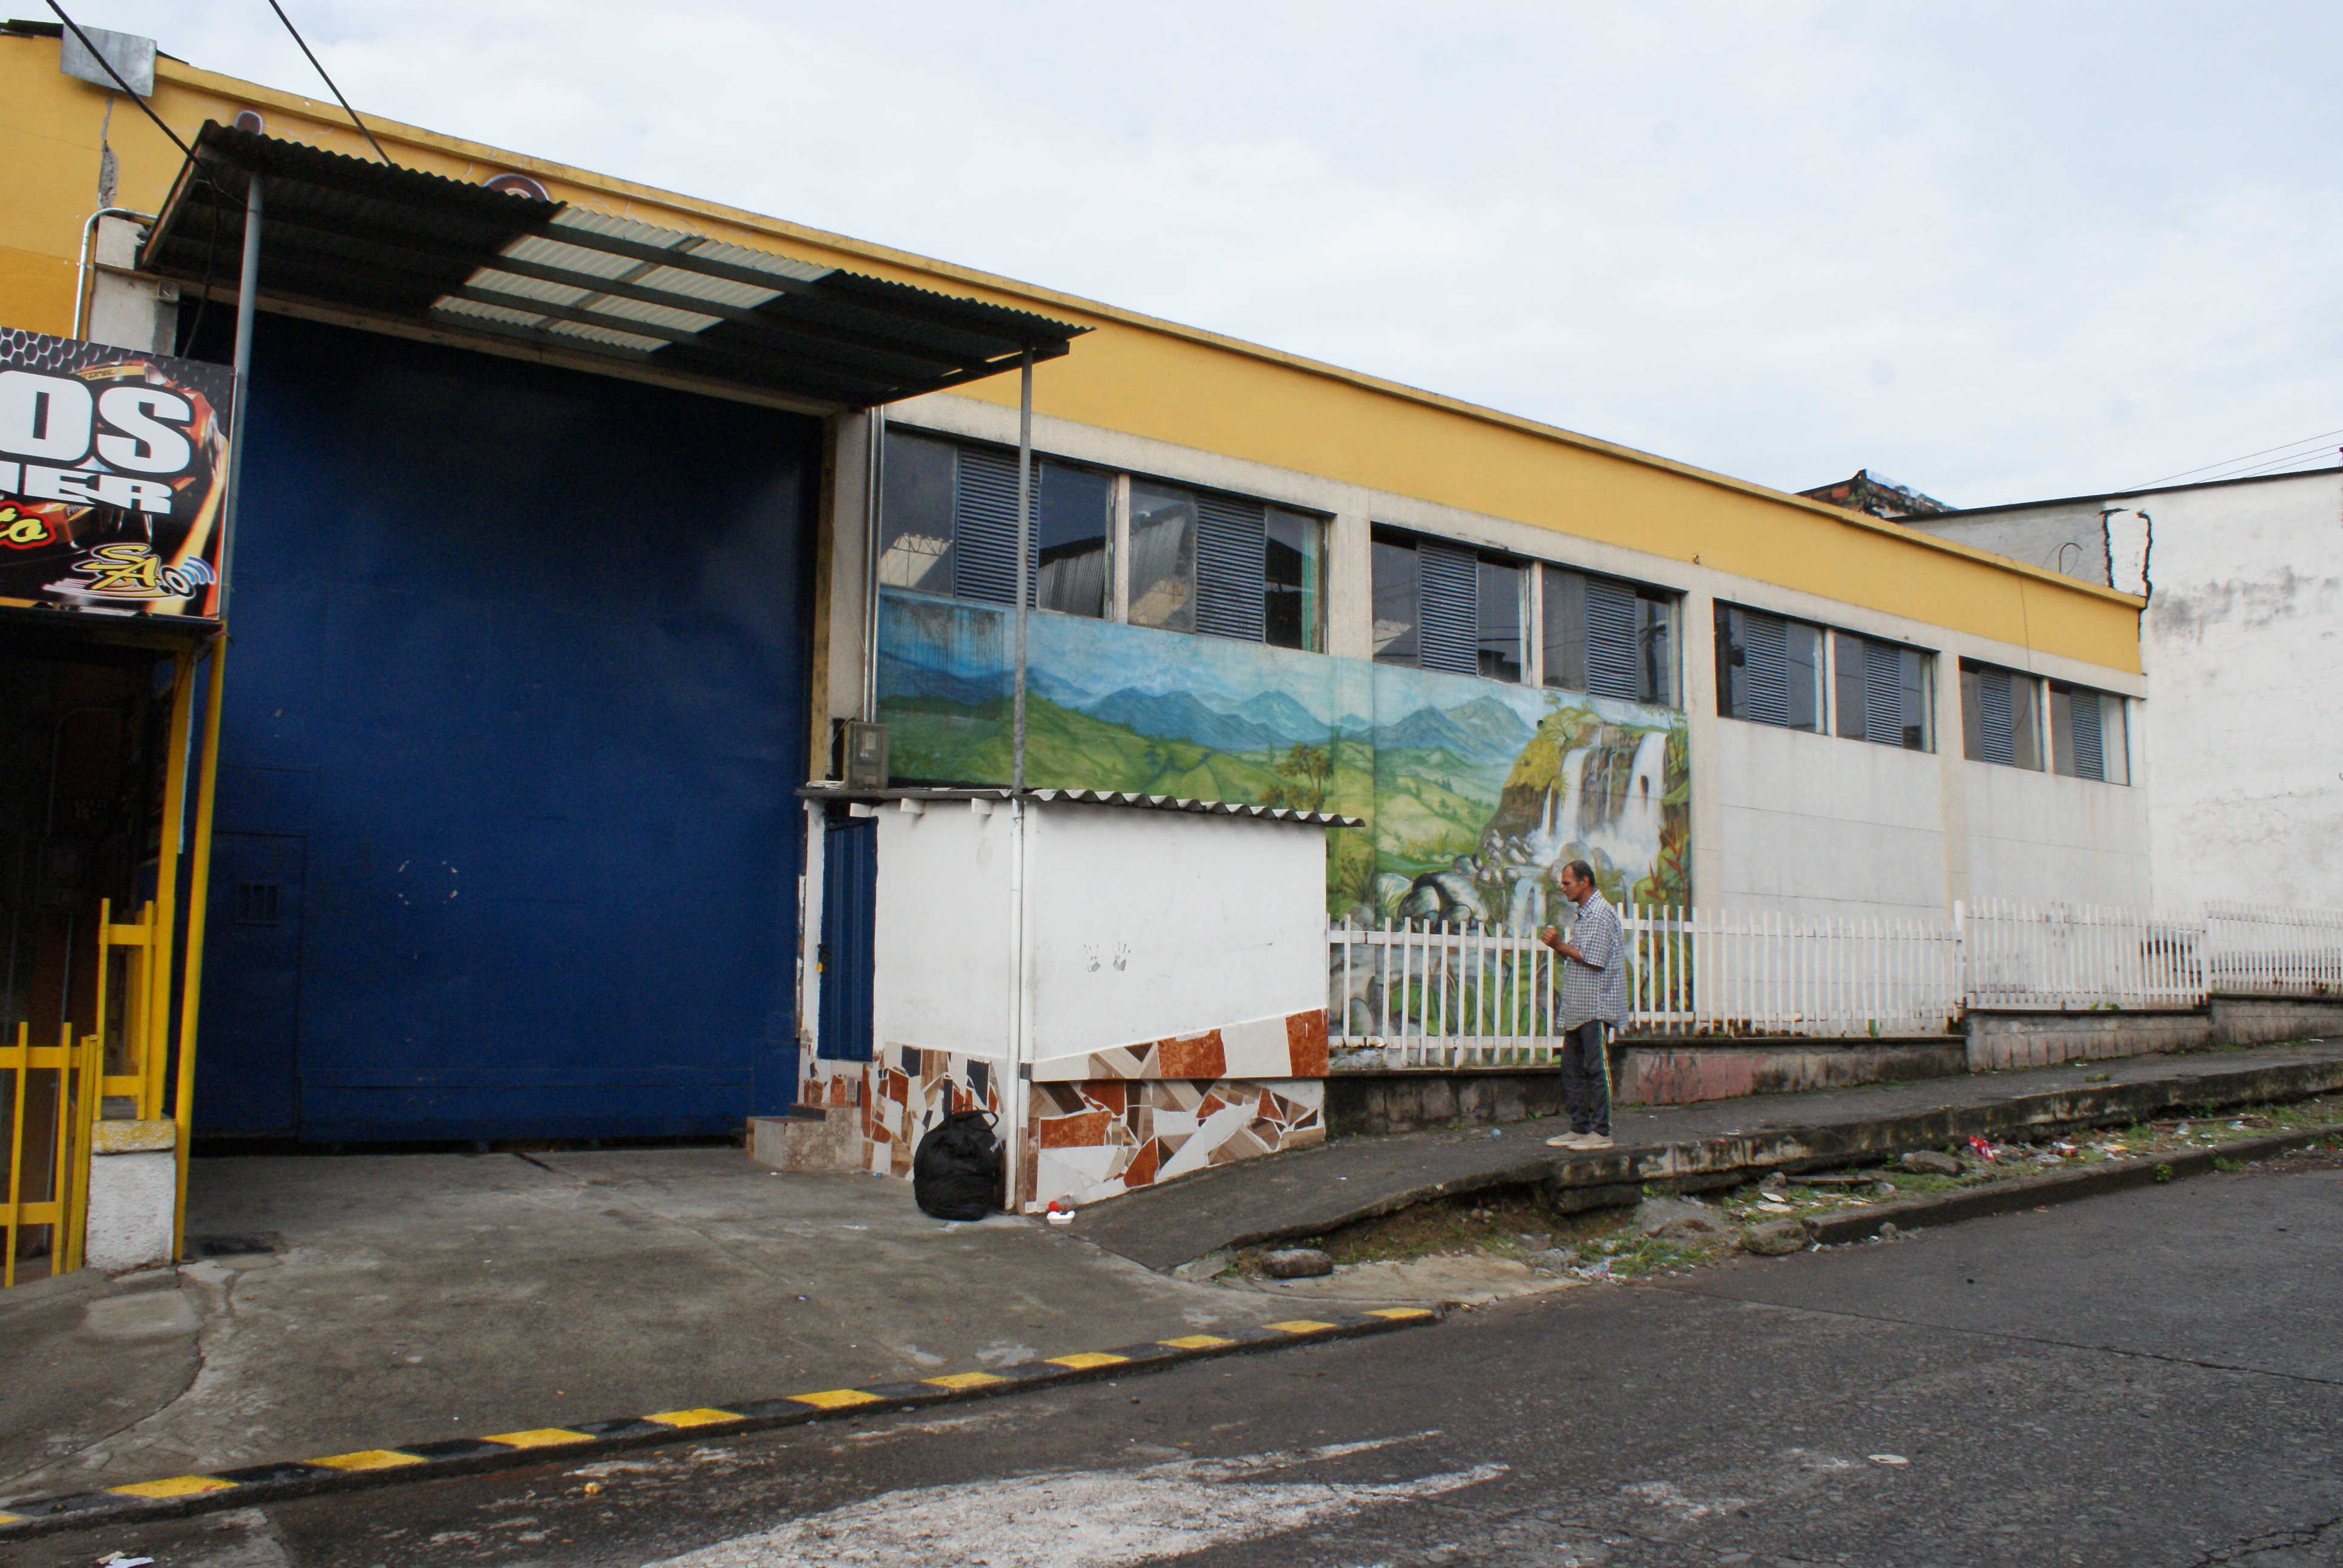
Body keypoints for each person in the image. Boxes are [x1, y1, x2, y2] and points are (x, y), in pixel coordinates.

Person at [1537, 859, 1625, 1151]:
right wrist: (1563, 948)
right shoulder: (1584, 914)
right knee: (1571, 1067)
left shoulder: (1600, 914)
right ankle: (1579, 1127)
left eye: (1567, 883)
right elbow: (1582, 957)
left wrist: (1559, 946)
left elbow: (1595, 960)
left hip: (1596, 1004)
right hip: (1579, 1004)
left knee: (1595, 1068)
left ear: (1585, 881)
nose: (1563, 889)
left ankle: (1601, 1132)